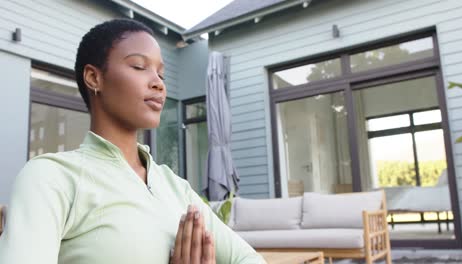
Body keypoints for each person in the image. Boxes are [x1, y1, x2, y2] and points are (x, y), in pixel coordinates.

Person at [0, 19, 265, 264]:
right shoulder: (52, 178)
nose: (159, 84)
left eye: (161, 75)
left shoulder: (175, 187)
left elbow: (248, 259)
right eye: (139, 66)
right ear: (94, 77)